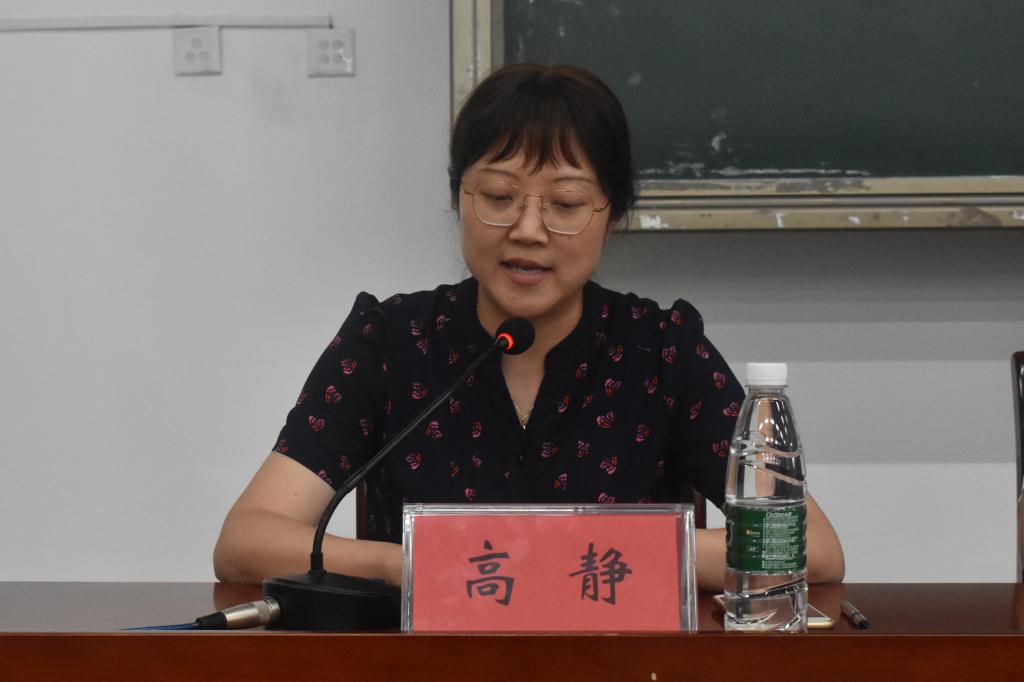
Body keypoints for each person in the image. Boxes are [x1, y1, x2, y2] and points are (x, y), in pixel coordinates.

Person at [213, 64, 844, 590]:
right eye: (498, 196)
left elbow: (808, 545)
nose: (528, 230)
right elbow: (247, 540)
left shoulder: (663, 351)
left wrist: (555, 556)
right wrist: (407, 564)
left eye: (565, 204)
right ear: (458, 198)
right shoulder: (391, 340)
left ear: (611, 213)